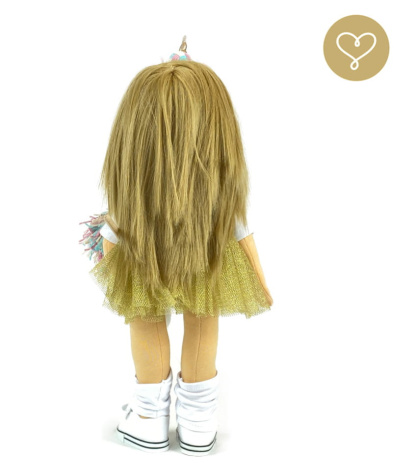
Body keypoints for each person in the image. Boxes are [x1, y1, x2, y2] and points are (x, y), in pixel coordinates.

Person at [79, 38, 273, 456]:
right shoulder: (216, 201)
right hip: (201, 254)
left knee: (146, 319)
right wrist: (260, 277)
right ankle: (198, 422)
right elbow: (243, 232)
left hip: (145, 257)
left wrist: (111, 274)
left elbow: (112, 233)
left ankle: (149, 418)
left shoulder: (133, 202)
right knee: (202, 319)